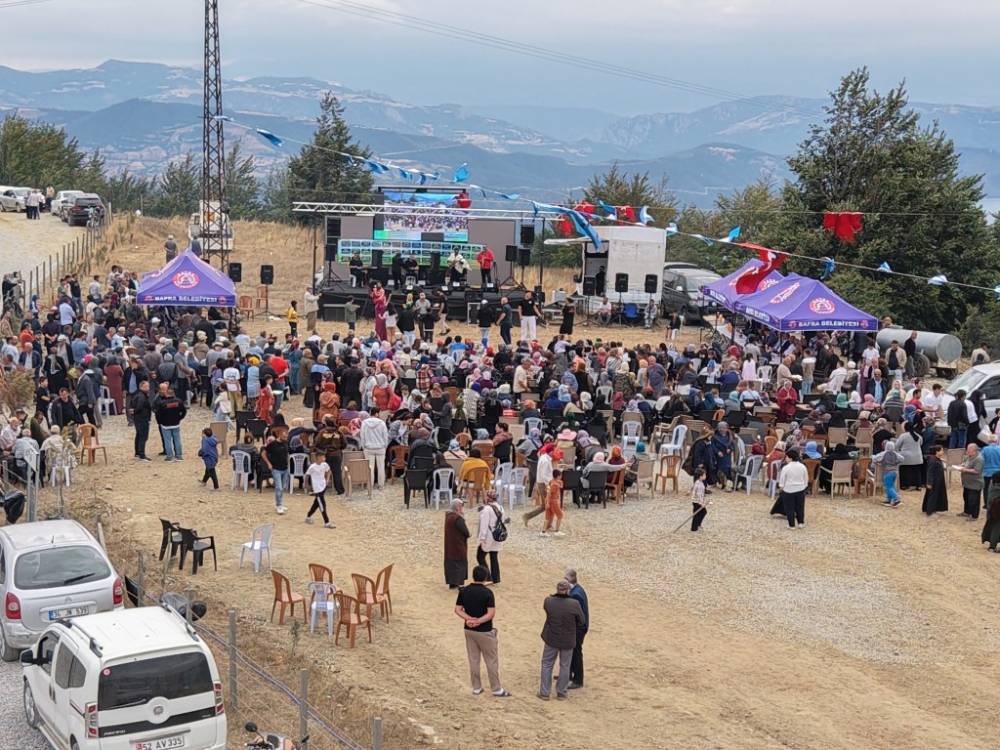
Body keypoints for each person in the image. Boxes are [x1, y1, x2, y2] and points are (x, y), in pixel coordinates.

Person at [455, 564, 511, 697]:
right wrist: (478, 621)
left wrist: (469, 620)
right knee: (491, 660)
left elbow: (457, 609)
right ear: (486, 578)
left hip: (469, 629)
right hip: (485, 630)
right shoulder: (487, 593)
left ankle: (476, 687)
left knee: (473, 659)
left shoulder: (464, 591)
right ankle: (496, 689)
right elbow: (490, 613)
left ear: (473, 576)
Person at [538, 579, 585, 701]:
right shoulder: (574, 604)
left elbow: (548, 612)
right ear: (568, 590)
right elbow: (582, 621)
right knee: (565, 665)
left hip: (551, 638)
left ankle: (544, 692)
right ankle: (561, 692)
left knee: (547, 664)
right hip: (568, 639)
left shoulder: (548, 601)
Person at [565, 569, 588, 689]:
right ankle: (568, 674)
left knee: (576, 653)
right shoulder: (577, 590)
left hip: (578, 629)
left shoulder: (575, 594)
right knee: (573, 652)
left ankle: (578, 679)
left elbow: (576, 615)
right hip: (579, 627)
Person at [476, 492, 505, 584]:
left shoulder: (487, 509)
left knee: (480, 556)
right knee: (494, 556)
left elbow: (484, 525)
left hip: (489, 536)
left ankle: (488, 577)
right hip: (497, 535)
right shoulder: (501, 508)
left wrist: (482, 538)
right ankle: (496, 578)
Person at [778, 448, 809, 529]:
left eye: (787, 457)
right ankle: (801, 523)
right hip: (800, 489)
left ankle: (791, 525)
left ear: (790, 458)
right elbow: (806, 478)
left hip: (788, 490)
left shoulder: (786, 468)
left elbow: (782, 480)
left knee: (789, 508)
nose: (786, 459)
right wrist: (804, 486)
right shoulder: (802, 466)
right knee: (800, 507)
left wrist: (781, 488)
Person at [155, 387, 187, 461]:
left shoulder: (162, 403)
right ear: (174, 394)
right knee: (177, 439)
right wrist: (180, 418)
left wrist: (160, 422)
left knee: (167, 440)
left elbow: (158, 414)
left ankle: (169, 456)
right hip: (176, 423)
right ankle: (179, 456)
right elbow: (184, 411)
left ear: (166, 394)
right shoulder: (179, 401)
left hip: (165, 424)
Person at [444, 498, 470, 587]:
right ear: (458, 507)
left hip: (450, 546)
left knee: (451, 564)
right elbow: (466, 532)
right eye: (462, 506)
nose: (463, 508)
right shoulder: (458, 518)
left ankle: (452, 583)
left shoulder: (448, 515)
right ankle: (460, 585)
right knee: (460, 564)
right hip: (458, 545)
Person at [262, 433, 290, 514]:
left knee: (282, 487)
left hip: (285, 468)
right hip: (276, 469)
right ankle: (279, 505)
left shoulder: (285, 443)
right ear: (279, 435)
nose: (286, 438)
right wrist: (269, 464)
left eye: (286, 437)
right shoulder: (273, 444)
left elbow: (286, 454)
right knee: (279, 487)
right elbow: (263, 453)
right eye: (284, 436)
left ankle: (280, 503)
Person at [360, 411, 389, 489]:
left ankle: (370, 485)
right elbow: (385, 436)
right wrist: (385, 446)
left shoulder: (364, 423)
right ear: (376, 414)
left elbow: (362, 436)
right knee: (381, 467)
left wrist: (364, 447)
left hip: (368, 448)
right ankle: (381, 485)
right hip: (380, 448)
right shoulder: (382, 423)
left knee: (370, 467)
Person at [305, 458, 335, 528]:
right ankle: (327, 522)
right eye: (322, 457)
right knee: (322, 504)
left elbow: (329, 471)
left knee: (317, 503)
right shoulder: (312, 467)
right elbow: (307, 475)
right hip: (317, 488)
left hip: (323, 486)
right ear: (318, 458)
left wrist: (327, 480)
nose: (324, 458)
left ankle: (308, 516)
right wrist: (306, 485)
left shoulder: (325, 464)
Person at [873, 439, 903, 508]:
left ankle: (896, 499)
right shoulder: (895, 453)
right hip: (895, 472)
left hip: (888, 472)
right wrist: (897, 462)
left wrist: (874, 458)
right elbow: (902, 458)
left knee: (888, 487)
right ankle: (889, 500)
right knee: (891, 486)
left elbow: (875, 458)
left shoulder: (884, 453)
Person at [128, 380, 153, 461]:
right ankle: (142, 454)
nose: (148, 388)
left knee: (139, 435)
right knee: (143, 436)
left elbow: (131, 405)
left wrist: (133, 411)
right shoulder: (142, 396)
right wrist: (134, 411)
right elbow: (139, 407)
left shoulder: (137, 394)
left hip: (138, 418)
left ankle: (138, 453)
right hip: (142, 418)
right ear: (141, 387)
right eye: (147, 387)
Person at [958, 443, 984, 520]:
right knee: (966, 497)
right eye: (967, 450)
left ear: (975, 451)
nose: (967, 452)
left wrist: (965, 469)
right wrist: (962, 465)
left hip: (975, 483)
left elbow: (977, 471)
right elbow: (965, 463)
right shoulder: (968, 456)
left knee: (974, 500)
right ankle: (967, 512)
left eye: (969, 451)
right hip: (967, 483)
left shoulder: (979, 459)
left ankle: (974, 516)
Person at [922, 445, 948, 516]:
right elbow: (929, 472)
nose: (943, 452)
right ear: (937, 451)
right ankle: (930, 511)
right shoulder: (933, 461)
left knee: (932, 495)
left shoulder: (936, 459)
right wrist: (929, 483)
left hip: (938, 481)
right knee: (932, 496)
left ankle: (928, 508)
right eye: (941, 450)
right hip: (934, 481)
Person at [541, 468, 565, 536]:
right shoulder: (555, 484)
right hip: (553, 501)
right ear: (558, 476)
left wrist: (547, 502)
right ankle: (557, 531)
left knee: (548, 517)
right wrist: (548, 502)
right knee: (560, 515)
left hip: (550, 501)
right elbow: (549, 493)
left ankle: (543, 531)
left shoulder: (552, 482)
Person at [690, 467, 709, 531]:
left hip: (697, 501)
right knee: (699, 513)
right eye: (704, 475)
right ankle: (694, 528)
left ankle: (697, 525)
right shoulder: (699, 484)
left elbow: (693, 488)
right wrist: (701, 503)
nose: (705, 476)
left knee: (700, 513)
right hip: (697, 501)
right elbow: (699, 495)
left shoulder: (699, 482)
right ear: (700, 476)